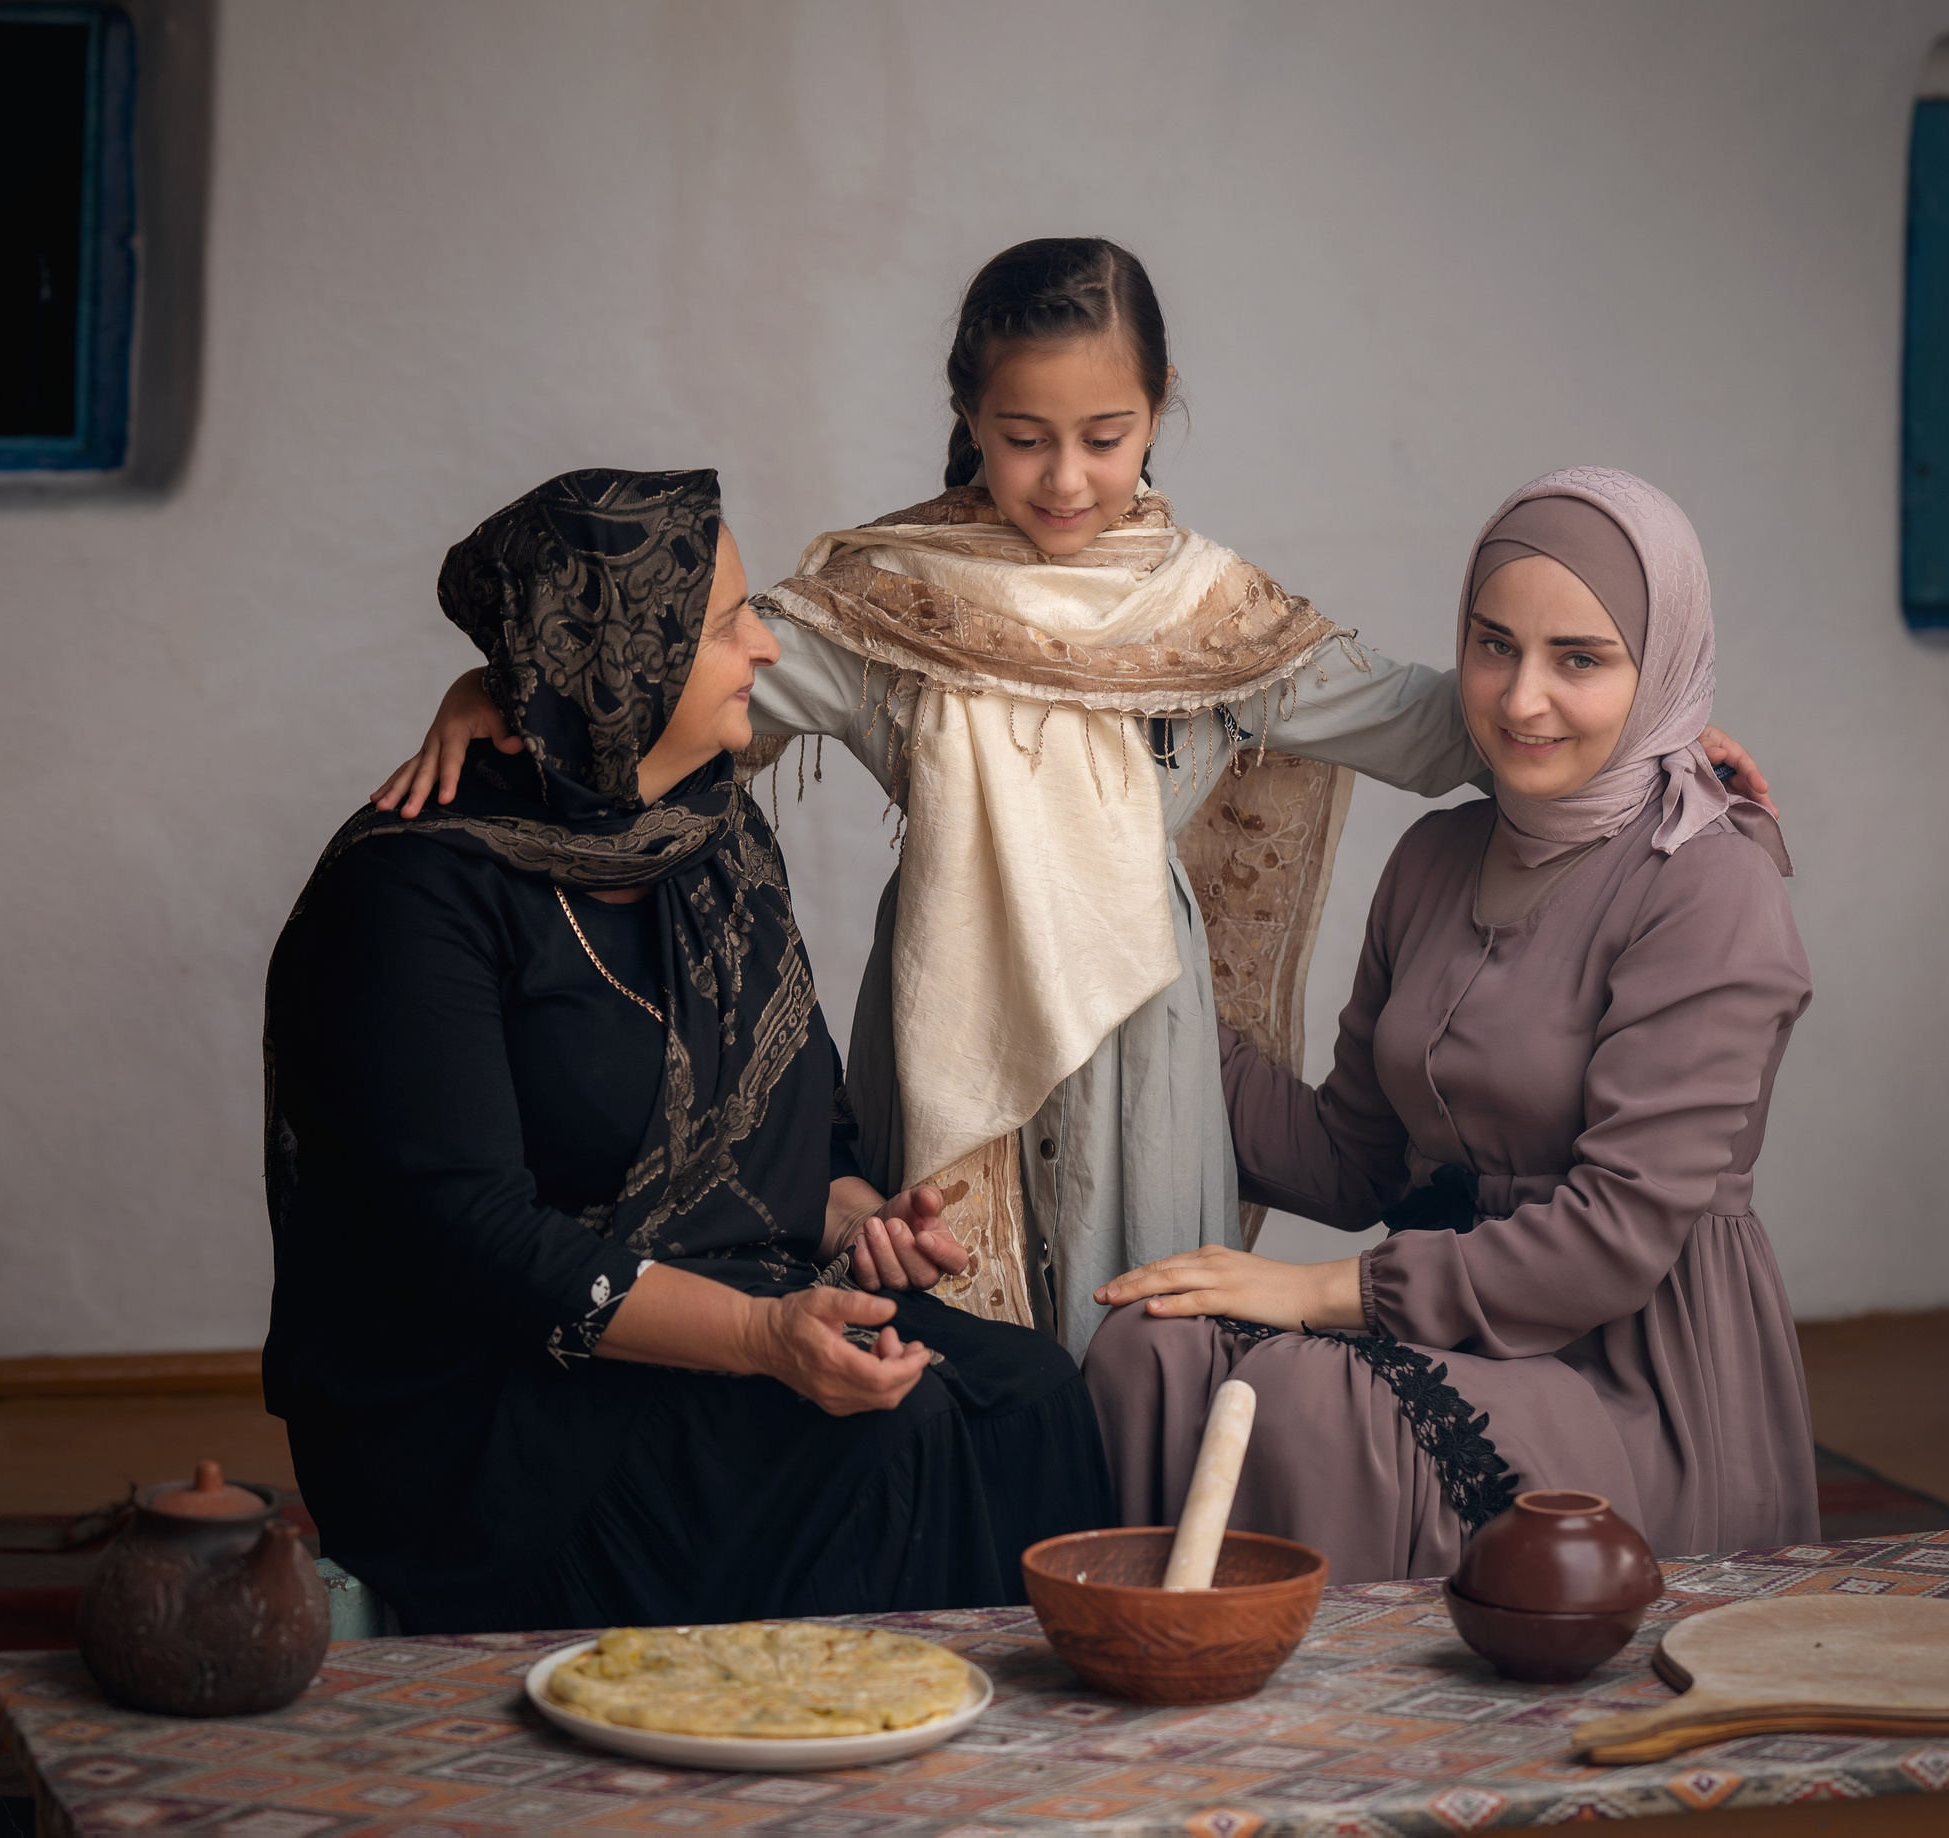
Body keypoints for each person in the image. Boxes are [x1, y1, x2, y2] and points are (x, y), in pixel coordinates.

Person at [373, 241, 1773, 1357]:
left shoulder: (1215, 619)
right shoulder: (887, 608)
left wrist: (1652, 731)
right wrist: (499, 693)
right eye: (1022, 435)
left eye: (1104, 434)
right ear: (967, 415)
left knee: (1129, 1349)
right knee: (937, 1338)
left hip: (1142, 1043)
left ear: (1161, 406)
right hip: (943, 1029)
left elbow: (1436, 717)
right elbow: (674, 676)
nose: (1064, 477)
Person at [263, 468, 1112, 1636]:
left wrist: (857, 1216)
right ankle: (836, 1782)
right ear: (622, 657)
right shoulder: (412, 895)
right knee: (884, 1428)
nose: (762, 646)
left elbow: (797, 1134)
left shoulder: (708, 839)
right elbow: (472, 1236)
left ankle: (1008, 1771)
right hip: (488, 1399)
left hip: (707, 1318)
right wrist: (763, 1336)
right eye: (724, 624)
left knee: (1031, 1392)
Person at [1082, 467, 1816, 1582]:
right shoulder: (1435, 858)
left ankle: (1349, 1729)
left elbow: (1614, 1235)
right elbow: (1352, 1159)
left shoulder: (1706, 881)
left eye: (1580, 658)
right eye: (1493, 645)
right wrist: (1145, 987)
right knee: (1154, 1348)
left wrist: (1326, 1290)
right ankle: (1175, 1686)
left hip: (1633, 1372)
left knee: (1301, 1394)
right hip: (1447, 1322)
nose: (1521, 699)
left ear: (1658, 668)